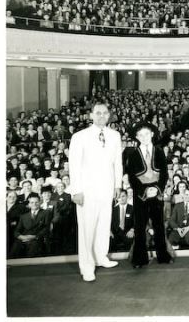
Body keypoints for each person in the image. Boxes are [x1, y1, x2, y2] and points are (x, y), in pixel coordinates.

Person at [68, 102, 123, 282]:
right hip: (87, 190)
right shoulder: (79, 136)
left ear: (109, 116)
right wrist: (76, 190)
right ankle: (87, 266)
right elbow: (74, 166)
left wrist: (117, 185)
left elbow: (117, 163)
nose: (101, 116)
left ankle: (101, 257)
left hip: (107, 188)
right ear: (91, 115)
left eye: (105, 113)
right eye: (97, 113)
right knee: (87, 228)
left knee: (103, 225)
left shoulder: (115, 135)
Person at [124, 121, 172, 268]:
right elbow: (132, 177)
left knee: (158, 226)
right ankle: (140, 259)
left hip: (157, 194)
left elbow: (164, 174)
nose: (144, 137)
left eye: (146, 134)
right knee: (139, 228)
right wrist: (144, 191)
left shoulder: (159, 151)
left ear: (152, 134)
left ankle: (163, 256)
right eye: (140, 135)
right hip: (140, 195)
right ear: (137, 137)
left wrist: (157, 189)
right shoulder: (132, 154)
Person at [9, 194, 52, 258]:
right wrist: (21, 236)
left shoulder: (46, 213)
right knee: (14, 250)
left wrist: (35, 236)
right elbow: (17, 230)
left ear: (40, 202)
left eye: (36, 202)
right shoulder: (24, 216)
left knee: (33, 249)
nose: (34, 204)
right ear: (29, 204)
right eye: (32, 202)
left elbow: (46, 228)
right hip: (23, 238)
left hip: (38, 238)